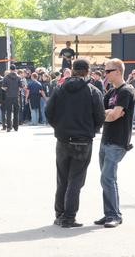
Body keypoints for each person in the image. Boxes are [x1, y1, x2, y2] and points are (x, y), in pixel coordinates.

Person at [46, 59, 105, 228]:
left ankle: (60, 214)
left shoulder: (60, 89)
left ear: (72, 70)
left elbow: (49, 112)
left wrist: (59, 127)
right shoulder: (93, 91)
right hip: (83, 141)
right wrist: (90, 129)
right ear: (87, 71)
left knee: (62, 179)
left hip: (63, 139)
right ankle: (69, 217)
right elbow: (100, 117)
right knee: (75, 181)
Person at [95, 58, 135, 228]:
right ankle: (109, 213)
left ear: (118, 71)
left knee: (107, 178)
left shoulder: (126, 91)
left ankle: (114, 215)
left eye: (108, 71)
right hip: (106, 139)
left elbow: (115, 115)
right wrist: (108, 112)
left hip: (118, 141)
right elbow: (99, 114)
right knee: (106, 179)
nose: (105, 74)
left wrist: (109, 113)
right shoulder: (111, 93)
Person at [1, 65, 23, 132]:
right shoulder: (19, 77)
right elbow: (20, 87)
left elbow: (4, 88)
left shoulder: (6, 77)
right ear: (15, 69)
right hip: (16, 97)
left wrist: (7, 89)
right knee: (16, 112)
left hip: (8, 96)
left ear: (10, 69)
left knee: (8, 112)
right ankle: (16, 127)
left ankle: (8, 127)